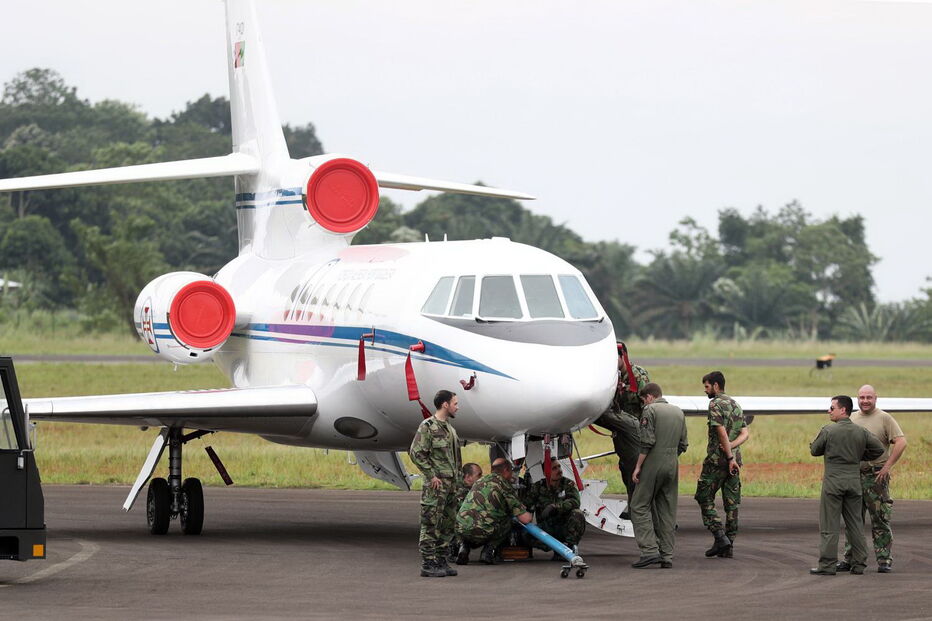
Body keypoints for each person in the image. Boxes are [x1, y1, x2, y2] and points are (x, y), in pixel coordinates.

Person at [809, 395, 885, 576]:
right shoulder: (861, 431)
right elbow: (879, 449)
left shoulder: (828, 430)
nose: (829, 411)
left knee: (829, 526)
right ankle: (859, 564)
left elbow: (814, 450)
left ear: (843, 410)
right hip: (853, 483)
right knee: (856, 525)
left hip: (833, 484)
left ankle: (827, 565)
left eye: (832, 408)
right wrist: (858, 456)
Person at [838, 385, 908, 574]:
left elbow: (901, 442)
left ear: (876, 398)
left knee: (880, 518)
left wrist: (887, 466)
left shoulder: (884, 418)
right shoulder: (852, 418)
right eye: (862, 397)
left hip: (876, 476)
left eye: (869, 397)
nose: (865, 401)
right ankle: (850, 558)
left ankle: (884, 559)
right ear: (857, 399)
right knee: (853, 518)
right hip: (854, 476)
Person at [629, 382, 688, 569]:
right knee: (667, 509)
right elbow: (683, 444)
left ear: (649, 397)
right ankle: (667, 555)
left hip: (653, 462)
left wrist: (638, 467)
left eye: (643, 400)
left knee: (638, 505)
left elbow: (647, 442)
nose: (644, 404)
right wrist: (670, 457)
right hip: (672, 462)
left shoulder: (650, 411)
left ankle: (649, 551)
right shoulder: (678, 412)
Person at [694, 370, 749, 558]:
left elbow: (721, 432)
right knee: (731, 504)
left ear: (716, 386)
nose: (705, 390)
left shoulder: (715, 404)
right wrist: (733, 451)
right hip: (734, 461)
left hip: (718, 461)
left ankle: (720, 536)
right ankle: (729, 546)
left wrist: (727, 455)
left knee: (704, 496)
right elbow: (745, 433)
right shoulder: (735, 404)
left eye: (707, 386)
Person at [409, 389, 463, 578]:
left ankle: (441, 559)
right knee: (430, 523)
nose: (458, 406)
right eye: (455, 403)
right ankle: (428, 562)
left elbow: (455, 459)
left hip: (450, 486)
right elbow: (416, 452)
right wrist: (431, 475)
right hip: (436, 487)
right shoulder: (428, 426)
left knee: (447, 524)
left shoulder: (450, 429)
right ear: (445, 405)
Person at [593, 341, 650, 518]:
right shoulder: (612, 377)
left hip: (636, 433)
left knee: (637, 472)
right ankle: (635, 509)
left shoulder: (638, 376)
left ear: (623, 356)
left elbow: (648, 406)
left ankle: (645, 512)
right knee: (626, 470)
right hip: (621, 433)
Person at [454, 458, 533, 565]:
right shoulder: (504, 484)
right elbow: (525, 519)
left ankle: (464, 547)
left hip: (461, 530)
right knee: (508, 520)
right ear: (506, 470)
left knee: (470, 521)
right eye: (511, 471)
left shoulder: (479, 481)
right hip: (482, 531)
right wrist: (526, 512)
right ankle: (488, 551)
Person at [523, 459, 586, 560]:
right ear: (546, 472)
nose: (559, 470)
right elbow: (526, 505)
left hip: (564, 526)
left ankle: (568, 548)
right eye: (554, 468)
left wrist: (556, 507)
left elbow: (575, 502)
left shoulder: (568, 484)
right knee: (525, 534)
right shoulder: (538, 487)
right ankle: (555, 548)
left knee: (578, 514)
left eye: (559, 467)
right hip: (547, 528)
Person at [446, 463, 483, 563]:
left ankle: (460, 547)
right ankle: (456, 548)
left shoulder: (454, 486)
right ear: (468, 477)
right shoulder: (466, 492)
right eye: (479, 475)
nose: (481, 478)